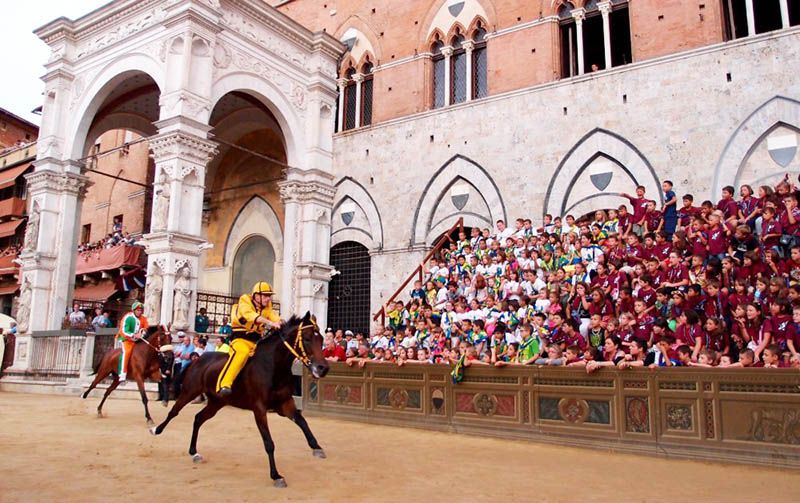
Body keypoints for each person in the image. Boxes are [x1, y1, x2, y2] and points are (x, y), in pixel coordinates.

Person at [216, 281, 283, 396]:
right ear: (257, 295)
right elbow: (249, 315)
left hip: (256, 342)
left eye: (269, 296)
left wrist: (281, 322)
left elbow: (274, 316)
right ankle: (223, 385)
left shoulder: (268, 306)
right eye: (266, 295)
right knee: (242, 353)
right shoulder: (245, 300)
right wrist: (270, 323)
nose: (268, 298)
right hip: (240, 339)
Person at [116, 301, 148, 383]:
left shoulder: (143, 318)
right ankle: (122, 374)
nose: (139, 312)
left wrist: (141, 333)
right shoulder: (128, 317)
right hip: (127, 339)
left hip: (138, 340)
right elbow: (124, 330)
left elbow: (146, 327)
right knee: (127, 352)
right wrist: (133, 335)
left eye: (141, 310)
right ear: (134, 310)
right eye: (138, 310)